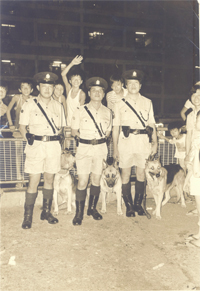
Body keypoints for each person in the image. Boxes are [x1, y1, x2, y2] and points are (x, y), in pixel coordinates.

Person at [19, 72, 67, 229]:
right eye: (44, 86)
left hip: (53, 147)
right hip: (36, 146)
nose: (47, 89)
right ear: (38, 87)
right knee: (33, 181)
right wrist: (29, 140)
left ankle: (46, 211)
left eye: (50, 86)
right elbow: (22, 127)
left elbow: (61, 129)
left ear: (53, 88)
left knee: (49, 180)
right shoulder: (29, 104)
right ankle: (28, 217)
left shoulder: (58, 106)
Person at [112, 69, 157, 217]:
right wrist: (115, 148)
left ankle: (138, 205)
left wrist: (155, 142)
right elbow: (116, 127)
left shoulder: (148, 102)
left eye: (135, 83)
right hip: (126, 142)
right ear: (126, 85)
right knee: (125, 174)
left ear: (140, 85)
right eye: (130, 83)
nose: (133, 86)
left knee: (141, 174)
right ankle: (129, 206)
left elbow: (152, 124)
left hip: (143, 142)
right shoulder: (119, 103)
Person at [71, 77, 112, 226]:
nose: (96, 93)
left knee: (96, 180)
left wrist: (98, 141)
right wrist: (85, 140)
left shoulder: (108, 112)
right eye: (94, 90)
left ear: (103, 94)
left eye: (100, 91)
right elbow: (74, 130)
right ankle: (79, 213)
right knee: (82, 181)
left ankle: (92, 209)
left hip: (101, 149)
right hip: (84, 148)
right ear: (89, 93)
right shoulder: (80, 110)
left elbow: (108, 132)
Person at [6, 79, 33, 187]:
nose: (25, 89)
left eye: (27, 87)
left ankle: (30, 179)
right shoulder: (17, 97)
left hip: (30, 132)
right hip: (17, 131)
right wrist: (11, 124)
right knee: (18, 155)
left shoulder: (33, 99)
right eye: (23, 87)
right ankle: (19, 179)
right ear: (19, 89)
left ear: (31, 90)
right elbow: (8, 110)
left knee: (30, 155)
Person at [185, 110, 200, 247]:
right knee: (198, 207)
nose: (197, 123)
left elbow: (197, 171)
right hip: (195, 178)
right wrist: (186, 180)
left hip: (198, 176)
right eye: (197, 120)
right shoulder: (197, 139)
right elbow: (191, 163)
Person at [61, 55, 86, 126]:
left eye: (78, 79)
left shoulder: (82, 94)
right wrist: (72, 63)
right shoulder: (68, 89)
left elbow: (81, 111)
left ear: (81, 82)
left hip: (77, 124)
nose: (76, 81)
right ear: (70, 81)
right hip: (66, 122)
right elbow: (63, 74)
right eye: (74, 79)